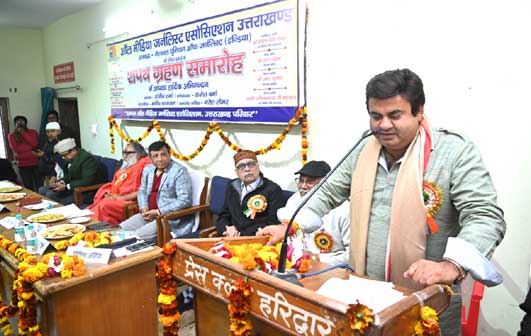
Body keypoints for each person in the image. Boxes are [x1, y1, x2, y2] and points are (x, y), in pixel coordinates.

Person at [259, 68, 506, 334]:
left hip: (428, 303)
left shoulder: (454, 152)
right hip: (364, 297)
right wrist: (290, 225)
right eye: (376, 116)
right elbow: (327, 192)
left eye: (395, 115)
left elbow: (484, 215)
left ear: (419, 111)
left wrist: (451, 265)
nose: (383, 125)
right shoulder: (364, 147)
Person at [278, 160, 350, 265]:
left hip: (328, 268)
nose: (303, 186)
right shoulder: (294, 200)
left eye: (310, 181)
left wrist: (317, 258)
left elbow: (352, 256)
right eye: (301, 181)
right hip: (295, 263)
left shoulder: (344, 210)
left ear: (326, 183)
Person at [119, 141, 192, 243]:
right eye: (155, 156)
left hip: (169, 219)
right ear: (150, 158)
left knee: (137, 237)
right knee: (120, 230)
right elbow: (142, 190)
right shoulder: (148, 169)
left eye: (163, 154)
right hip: (148, 214)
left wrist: (159, 212)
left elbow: (185, 201)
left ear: (169, 154)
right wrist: (143, 207)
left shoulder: (179, 171)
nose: (160, 159)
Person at [216, 150, 286, 237]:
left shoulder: (273, 189)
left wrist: (241, 234)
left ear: (258, 167)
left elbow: (273, 222)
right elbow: (224, 214)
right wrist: (226, 229)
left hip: (256, 238)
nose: (247, 169)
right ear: (237, 172)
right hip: (230, 236)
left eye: (251, 164)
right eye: (241, 166)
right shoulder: (232, 186)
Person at [87, 142, 151, 225]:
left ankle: (99, 229)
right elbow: (116, 183)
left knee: (104, 205)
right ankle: (89, 226)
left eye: (128, 153)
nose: (124, 156)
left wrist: (120, 198)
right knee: (101, 197)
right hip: (117, 197)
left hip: (131, 202)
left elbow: (142, 190)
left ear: (138, 154)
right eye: (123, 153)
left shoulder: (144, 166)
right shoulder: (128, 165)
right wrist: (110, 193)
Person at [39, 138, 106, 204]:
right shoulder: (73, 158)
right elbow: (70, 174)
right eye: (61, 155)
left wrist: (66, 186)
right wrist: (62, 182)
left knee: (51, 195)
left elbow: (87, 181)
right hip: (74, 187)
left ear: (73, 150)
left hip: (87, 191)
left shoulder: (87, 159)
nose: (63, 157)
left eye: (64, 155)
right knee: (42, 190)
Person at [7, 115, 41, 191]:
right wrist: (30, 148)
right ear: (15, 124)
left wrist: (23, 133)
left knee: (39, 186)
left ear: (26, 123)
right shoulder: (11, 135)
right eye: (17, 123)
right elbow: (17, 149)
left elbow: (35, 144)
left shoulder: (33, 132)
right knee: (28, 186)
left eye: (22, 122)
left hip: (35, 163)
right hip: (23, 165)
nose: (20, 124)